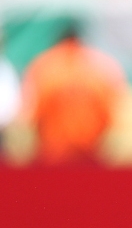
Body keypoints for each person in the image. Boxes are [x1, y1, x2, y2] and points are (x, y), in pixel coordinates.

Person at [20, 23, 126, 165]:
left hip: (52, 156)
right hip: (90, 153)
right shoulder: (103, 67)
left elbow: (31, 115)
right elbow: (112, 117)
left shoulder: (43, 66)